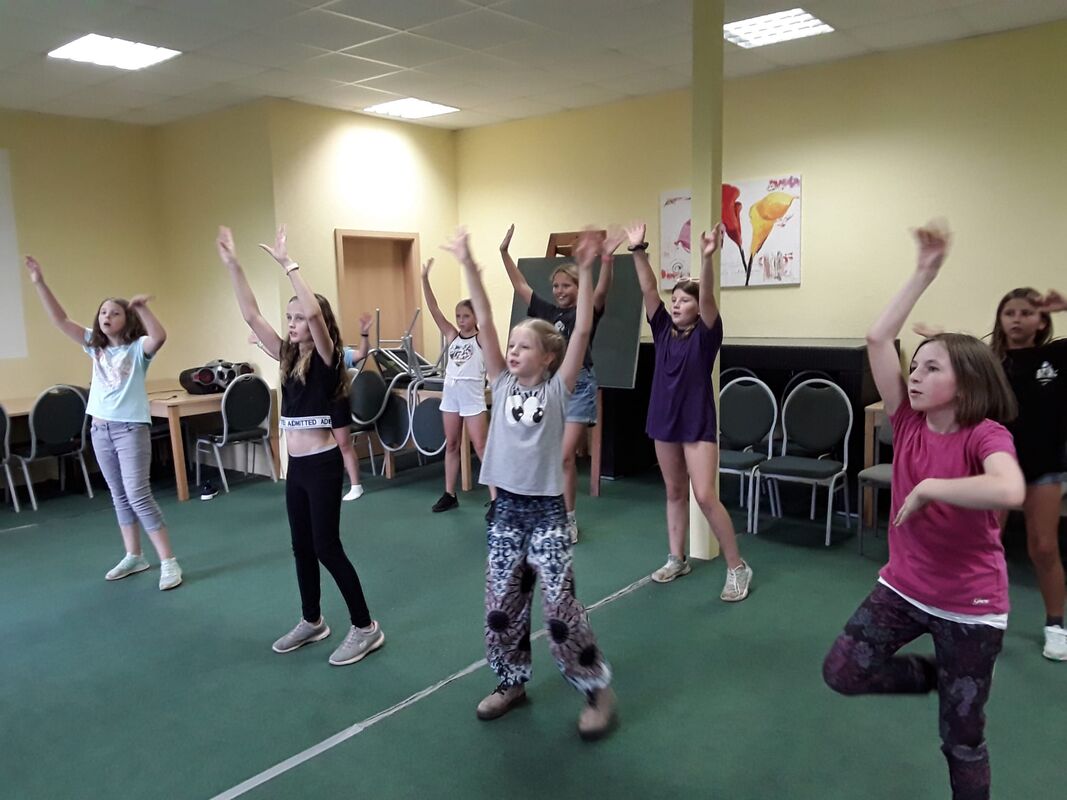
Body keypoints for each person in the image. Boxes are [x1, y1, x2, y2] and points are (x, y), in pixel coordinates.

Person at [822, 222, 1025, 800]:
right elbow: (878, 337)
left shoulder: (986, 434)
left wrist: (933, 487)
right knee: (843, 671)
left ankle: (960, 685)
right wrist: (923, 272)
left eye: (933, 368)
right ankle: (939, 676)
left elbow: (1010, 489)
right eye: (915, 366)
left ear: (968, 380)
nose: (915, 375)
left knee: (962, 741)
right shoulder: (907, 421)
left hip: (972, 608)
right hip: (904, 589)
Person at [443, 227, 616, 740]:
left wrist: (587, 268)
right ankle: (511, 682)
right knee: (501, 609)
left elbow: (581, 330)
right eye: (512, 345)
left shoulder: (560, 390)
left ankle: (596, 690)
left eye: (525, 346)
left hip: (546, 516)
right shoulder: (500, 382)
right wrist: (470, 265)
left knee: (560, 610)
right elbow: (486, 318)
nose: (514, 351)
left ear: (547, 357)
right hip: (506, 515)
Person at [217, 225, 383, 666]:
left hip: (324, 465)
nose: (292, 323)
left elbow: (314, 315)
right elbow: (252, 315)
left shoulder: (328, 358)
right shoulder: (288, 355)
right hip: (297, 468)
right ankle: (312, 620)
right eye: (288, 317)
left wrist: (289, 265)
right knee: (301, 547)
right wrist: (233, 265)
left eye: (299, 318)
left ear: (317, 325)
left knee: (327, 547)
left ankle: (366, 627)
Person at [25, 256, 182, 590]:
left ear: (127, 320)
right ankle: (134, 555)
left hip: (130, 431)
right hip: (99, 430)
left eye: (115, 312)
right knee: (119, 495)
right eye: (103, 312)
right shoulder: (93, 346)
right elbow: (59, 319)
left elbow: (159, 336)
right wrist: (39, 282)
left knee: (138, 495)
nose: (106, 317)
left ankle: (169, 562)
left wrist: (142, 308)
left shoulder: (138, 349)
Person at [626, 221, 752, 601]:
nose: (676, 304)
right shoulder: (662, 329)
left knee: (705, 496)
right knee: (674, 491)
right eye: (675, 299)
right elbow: (649, 289)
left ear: (698, 309)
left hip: (697, 423)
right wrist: (638, 250)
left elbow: (709, 295)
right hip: (663, 420)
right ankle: (676, 558)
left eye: (684, 300)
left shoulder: (707, 334)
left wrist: (707, 258)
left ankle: (737, 567)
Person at [499, 224, 621, 542]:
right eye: (556, 286)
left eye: (566, 285)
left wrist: (606, 261)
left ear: (578, 287)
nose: (559, 291)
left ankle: (568, 519)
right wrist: (504, 253)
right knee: (551, 456)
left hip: (579, 386)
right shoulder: (548, 313)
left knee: (564, 456)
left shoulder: (585, 311)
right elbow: (521, 285)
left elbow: (601, 292)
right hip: (550, 389)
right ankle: (548, 512)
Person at [988, 286, 1067, 660]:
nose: (1017, 319)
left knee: (1044, 547)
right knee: (987, 546)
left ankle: (1056, 626)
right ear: (1000, 320)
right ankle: (986, 618)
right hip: (996, 468)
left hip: (1043, 467)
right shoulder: (990, 362)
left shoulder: (1057, 356)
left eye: (1026, 312)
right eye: (1010, 313)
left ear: (1042, 321)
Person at [420, 257, 490, 513]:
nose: (461, 320)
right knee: (451, 444)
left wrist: (476, 279)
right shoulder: (452, 335)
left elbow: (486, 312)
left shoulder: (482, 339)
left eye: (466, 316)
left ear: (476, 316)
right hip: (451, 394)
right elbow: (434, 309)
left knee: (480, 446)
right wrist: (425, 279)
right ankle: (450, 493)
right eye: (458, 316)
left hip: (472, 395)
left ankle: (497, 498)